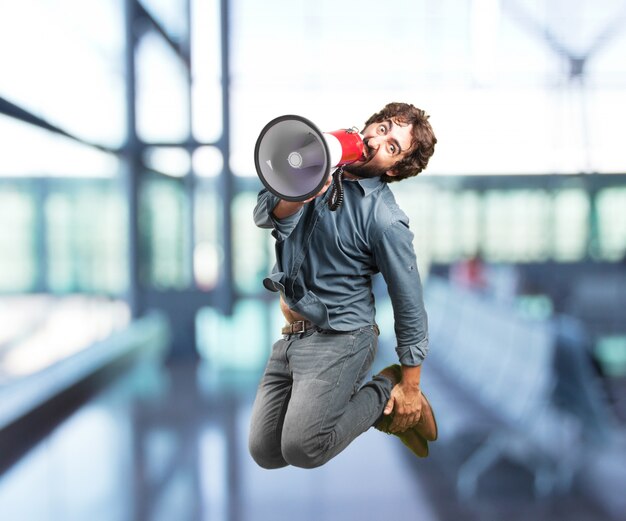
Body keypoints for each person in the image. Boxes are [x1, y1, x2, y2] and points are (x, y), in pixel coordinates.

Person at [249, 102, 438, 469]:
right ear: (367, 125)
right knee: (266, 452)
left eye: (392, 147)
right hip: (293, 334)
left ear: (395, 167)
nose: (378, 141)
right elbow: (262, 213)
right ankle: (380, 401)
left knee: (303, 448)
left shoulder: (384, 218)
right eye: (382, 128)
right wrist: (299, 193)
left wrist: (410, 386)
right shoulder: (319, 166)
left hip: (344, 336)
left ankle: (386, 386)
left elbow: (409, 301)